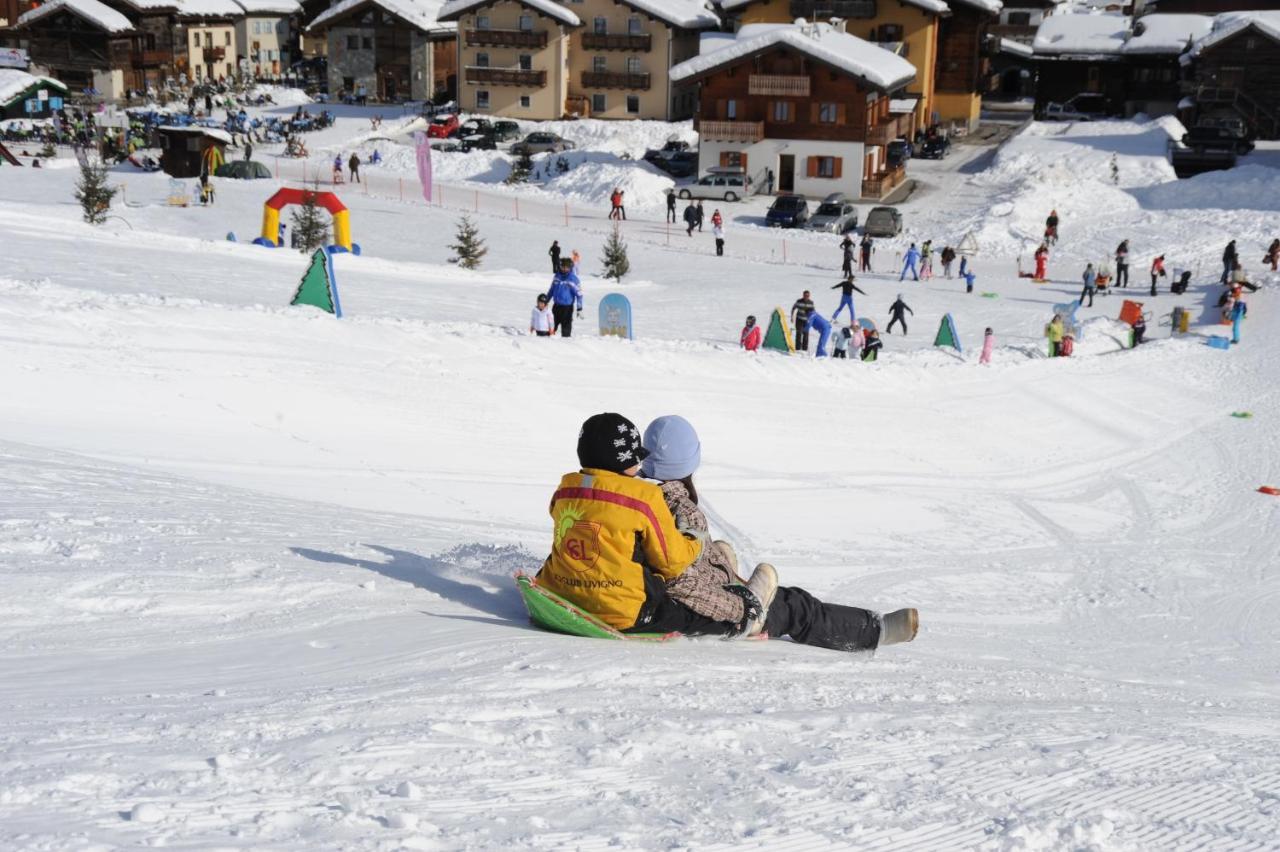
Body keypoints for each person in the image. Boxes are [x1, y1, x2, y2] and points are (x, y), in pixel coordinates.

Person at [626, 415, 918, 648]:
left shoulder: (635, 497)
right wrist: (743, 609)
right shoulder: (682, 509)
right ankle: (876, 630)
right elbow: (680, 581)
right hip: (700, 611)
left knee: (721, 551)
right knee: (794, 606)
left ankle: (723, 570)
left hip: (666, 598)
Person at [546, 258, 582, 337]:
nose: (564, 269)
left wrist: (579, 308)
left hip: (567, 308)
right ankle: (547, 344)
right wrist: (546, 300)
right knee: (550, 327)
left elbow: (579, 295)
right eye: (563, 267)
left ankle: (566, 345)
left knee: (566, 330)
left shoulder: (573, 279)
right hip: (556, 306)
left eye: (567, 267)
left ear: (570, 267)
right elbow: (552, 289)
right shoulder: (557, 276)